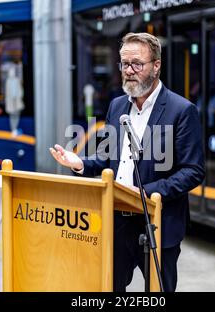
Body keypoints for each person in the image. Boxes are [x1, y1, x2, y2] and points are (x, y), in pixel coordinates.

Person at [49, 32, 205, 292]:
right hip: (117, 220)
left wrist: (147, 193)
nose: (129, 71)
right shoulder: (117, 106)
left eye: (137, 64)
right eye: (124, 64)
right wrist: (79, 163)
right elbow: (106, 158)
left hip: (157, 222)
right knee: (109, 286)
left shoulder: (182, 110)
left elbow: (193, 171)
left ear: (156, 66)